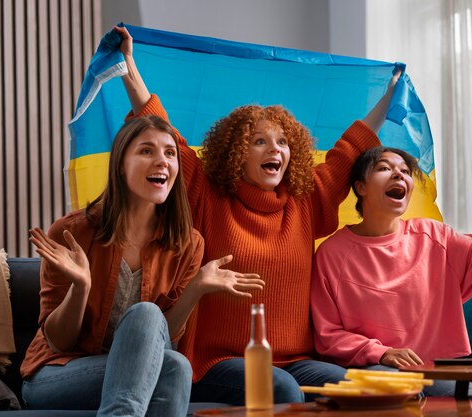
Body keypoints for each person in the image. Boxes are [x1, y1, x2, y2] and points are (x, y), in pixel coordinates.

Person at [113, 25, 402, 405]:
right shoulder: (206, 193)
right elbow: (163, 132)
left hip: (296, 359)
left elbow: (352, 147)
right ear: (236, 152)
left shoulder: (306, 198)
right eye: (260, 141)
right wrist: (127, 63)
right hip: (216, 362)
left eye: (283, 142)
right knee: (280, 388)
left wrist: (392, 92)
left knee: (365, 388)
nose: (276, 150)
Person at [20, 115, 264, 416]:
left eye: (170, 153)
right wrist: (80, 287)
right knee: (167, 356)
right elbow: (58, 343)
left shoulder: (188, 243)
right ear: (121, 164)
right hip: (58, 373)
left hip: (139, 368)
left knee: (173, 362)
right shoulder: (73, 233)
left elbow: (165, 337)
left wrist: (197, 287)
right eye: (147, 151)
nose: (162, 161)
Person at [311, 146, 472, 396]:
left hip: (434, 370)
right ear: (361, 187)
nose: (399, 175)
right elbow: (328, 335)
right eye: (384, 168)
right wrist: (382, 352)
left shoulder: (434, 236)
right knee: (403, 393)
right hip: (373, 368)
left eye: (405, 171)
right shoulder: (332, 253)